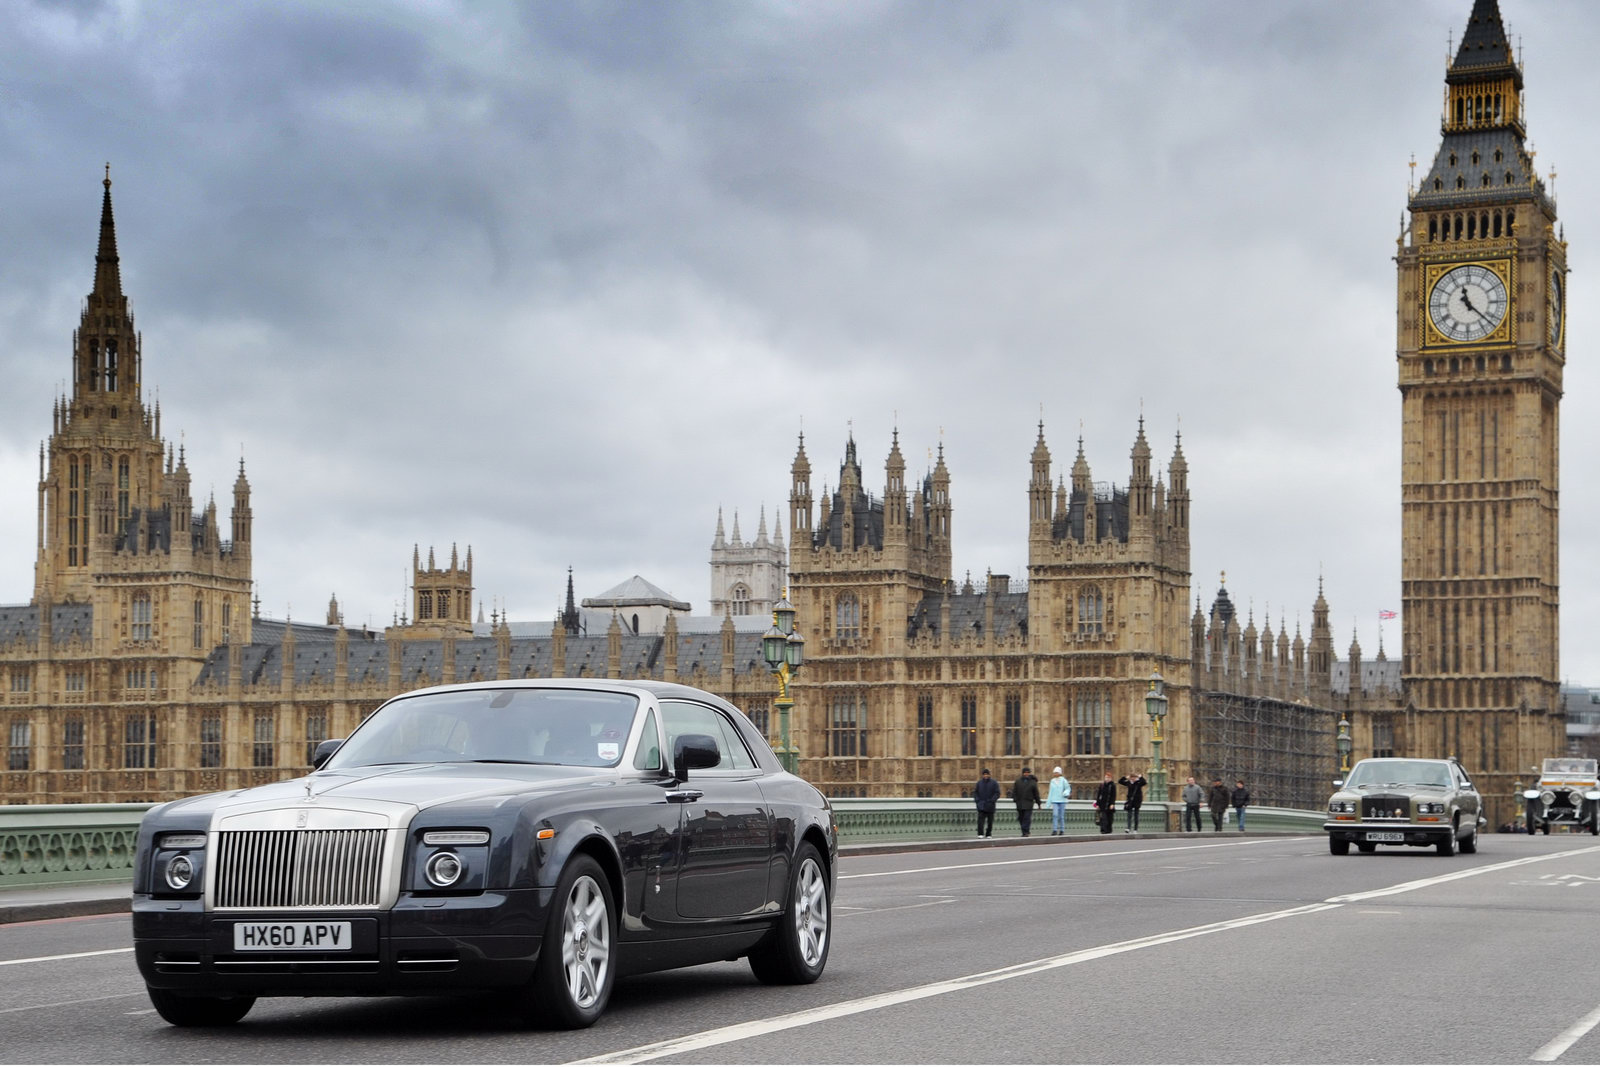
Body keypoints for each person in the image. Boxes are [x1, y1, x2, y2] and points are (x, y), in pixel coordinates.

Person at [1011, 766, 1042, 837]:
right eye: (1025, 772)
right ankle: (1024, 831)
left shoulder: (1033, 782)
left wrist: (1039, 803)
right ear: (1022, 773)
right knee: (1021, 818)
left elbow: (1036, 794)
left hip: (1028, 803)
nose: (1026, 774)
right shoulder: (1018, 781)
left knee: (1027, 818)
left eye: (1028, 772)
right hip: (1020, 803)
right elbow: (1014, 791)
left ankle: (1026, 831)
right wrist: (1015, 799)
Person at [973, 768, 1000, 838]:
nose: (985, 776)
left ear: (989, 775)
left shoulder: (994, 783)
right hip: (981, 805)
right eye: (984, 774)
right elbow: (975, 793)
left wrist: (992, 801)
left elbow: (997, 793)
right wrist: (977, 801)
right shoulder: (979, 783)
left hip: (990, 805)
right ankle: (980, 833)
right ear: (982, 775)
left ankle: (988, 834)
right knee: (980, 821)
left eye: (987, 774)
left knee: (990, 821)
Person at [1046, 766, 1072, 835]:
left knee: (1061, 816)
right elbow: (1050, 792)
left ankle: (1062, 830)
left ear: (1060, 773)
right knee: (1055, 815)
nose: (1055, 774)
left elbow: (1068, 788)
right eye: (1054, 773)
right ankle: (1054, 830)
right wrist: (1048, 803)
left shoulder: (1063, 780)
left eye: (1056, 772)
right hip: (1054, 800)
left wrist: (1065, 793)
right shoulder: (1052, 781)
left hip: (1062, 800)